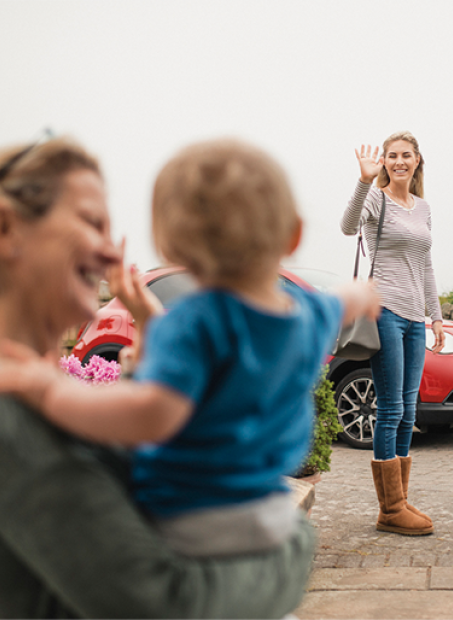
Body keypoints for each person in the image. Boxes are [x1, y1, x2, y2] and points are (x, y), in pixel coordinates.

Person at [0, 135, 375, 618]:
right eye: (92, 222)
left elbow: (153, 422)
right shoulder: (14, 412)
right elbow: (163, 605)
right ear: (8, 228)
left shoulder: (36, 388)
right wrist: (293, 549)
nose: (109, 246)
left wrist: (154, 331)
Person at [341, 131, 445, 536]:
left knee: (409, 411)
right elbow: (348, 226)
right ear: (384, 161)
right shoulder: (376, 198)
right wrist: (364, 180)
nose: (399, 161)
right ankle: (390, 508)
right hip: (384, 311)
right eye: (392, 156)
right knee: (391, 410)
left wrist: (435, 316)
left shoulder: (423, 209)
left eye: (406, 155)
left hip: (415, 318)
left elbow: (427, 265)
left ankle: (399, 499)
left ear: (418, 160)